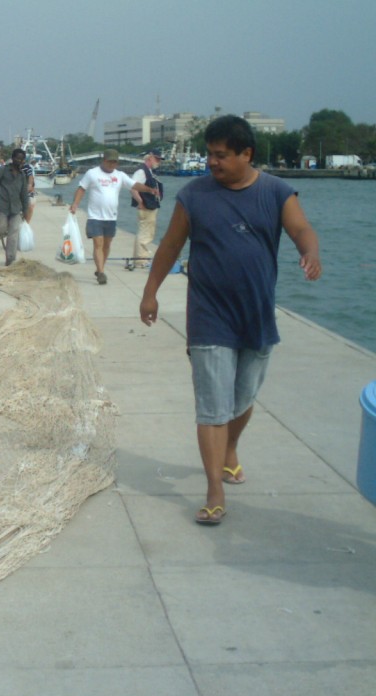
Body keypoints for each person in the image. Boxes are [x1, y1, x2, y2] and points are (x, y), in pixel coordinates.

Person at [139, 114, 321, 526]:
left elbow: (302, 229)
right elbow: (170, 245)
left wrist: (310, 253)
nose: (212, 162)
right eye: (209, 154)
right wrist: (150, 293)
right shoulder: (194, 196)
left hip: (256, 315)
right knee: (212, 407)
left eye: (221, 155)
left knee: (242, 401)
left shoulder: (275, 192)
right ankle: (214, 490)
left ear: (246, 154)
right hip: (209, 315)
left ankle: (230, 448)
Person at [69, 148, 159, 284]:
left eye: (115, 162)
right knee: (98, 244)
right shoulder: (92, 173)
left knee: (107, 245)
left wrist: (149, 190)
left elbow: (134, 185)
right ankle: (101, 272)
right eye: (110, 161)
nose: (112, 164)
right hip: (95, 216)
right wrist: (75, 204)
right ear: (103, 160)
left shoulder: (120, 175)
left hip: (111, 217)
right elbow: (81, 188)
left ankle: (100, 268)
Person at [0, 148, 31, 266]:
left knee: (13, 233)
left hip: (16, 209)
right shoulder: (3, 170)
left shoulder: (22, 176)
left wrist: (26, 211)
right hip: (2, 207)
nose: (19, 161)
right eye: (17, 158)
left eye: (22, 159)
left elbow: (24, 195)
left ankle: (10, 258)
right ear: (13, 158)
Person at [129, 149, 164, 269]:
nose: (159, 161)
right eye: (157, 159)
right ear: (149, 158)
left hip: (151, 207)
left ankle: (140, 258)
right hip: (146, 208)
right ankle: (141, 260)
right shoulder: (141, 171)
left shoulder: (148, 171)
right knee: (145, 233)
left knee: (147, 232)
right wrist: (140, 202)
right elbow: (133, 188)